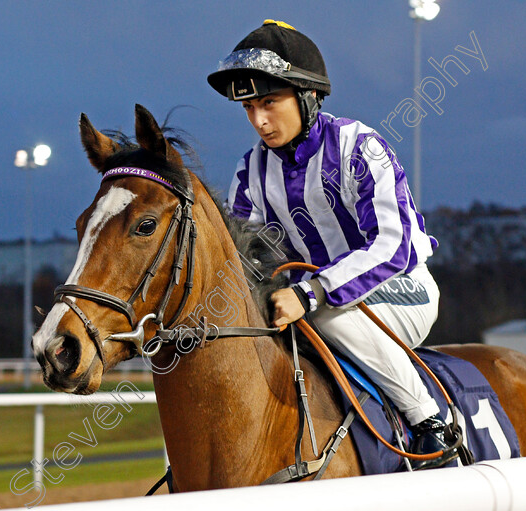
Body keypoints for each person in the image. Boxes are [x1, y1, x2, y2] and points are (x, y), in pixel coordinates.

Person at [207, 20, 457, 470]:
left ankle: (431, 424)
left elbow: (392, 246)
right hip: (314, 299)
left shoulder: (358, 146)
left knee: (325, 314)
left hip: (403, 291)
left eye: (269, 102)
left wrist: (311, 291)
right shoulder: (251, 171)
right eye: (249, 107)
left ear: (307, 96)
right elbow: (246, 257)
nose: (259, 120)